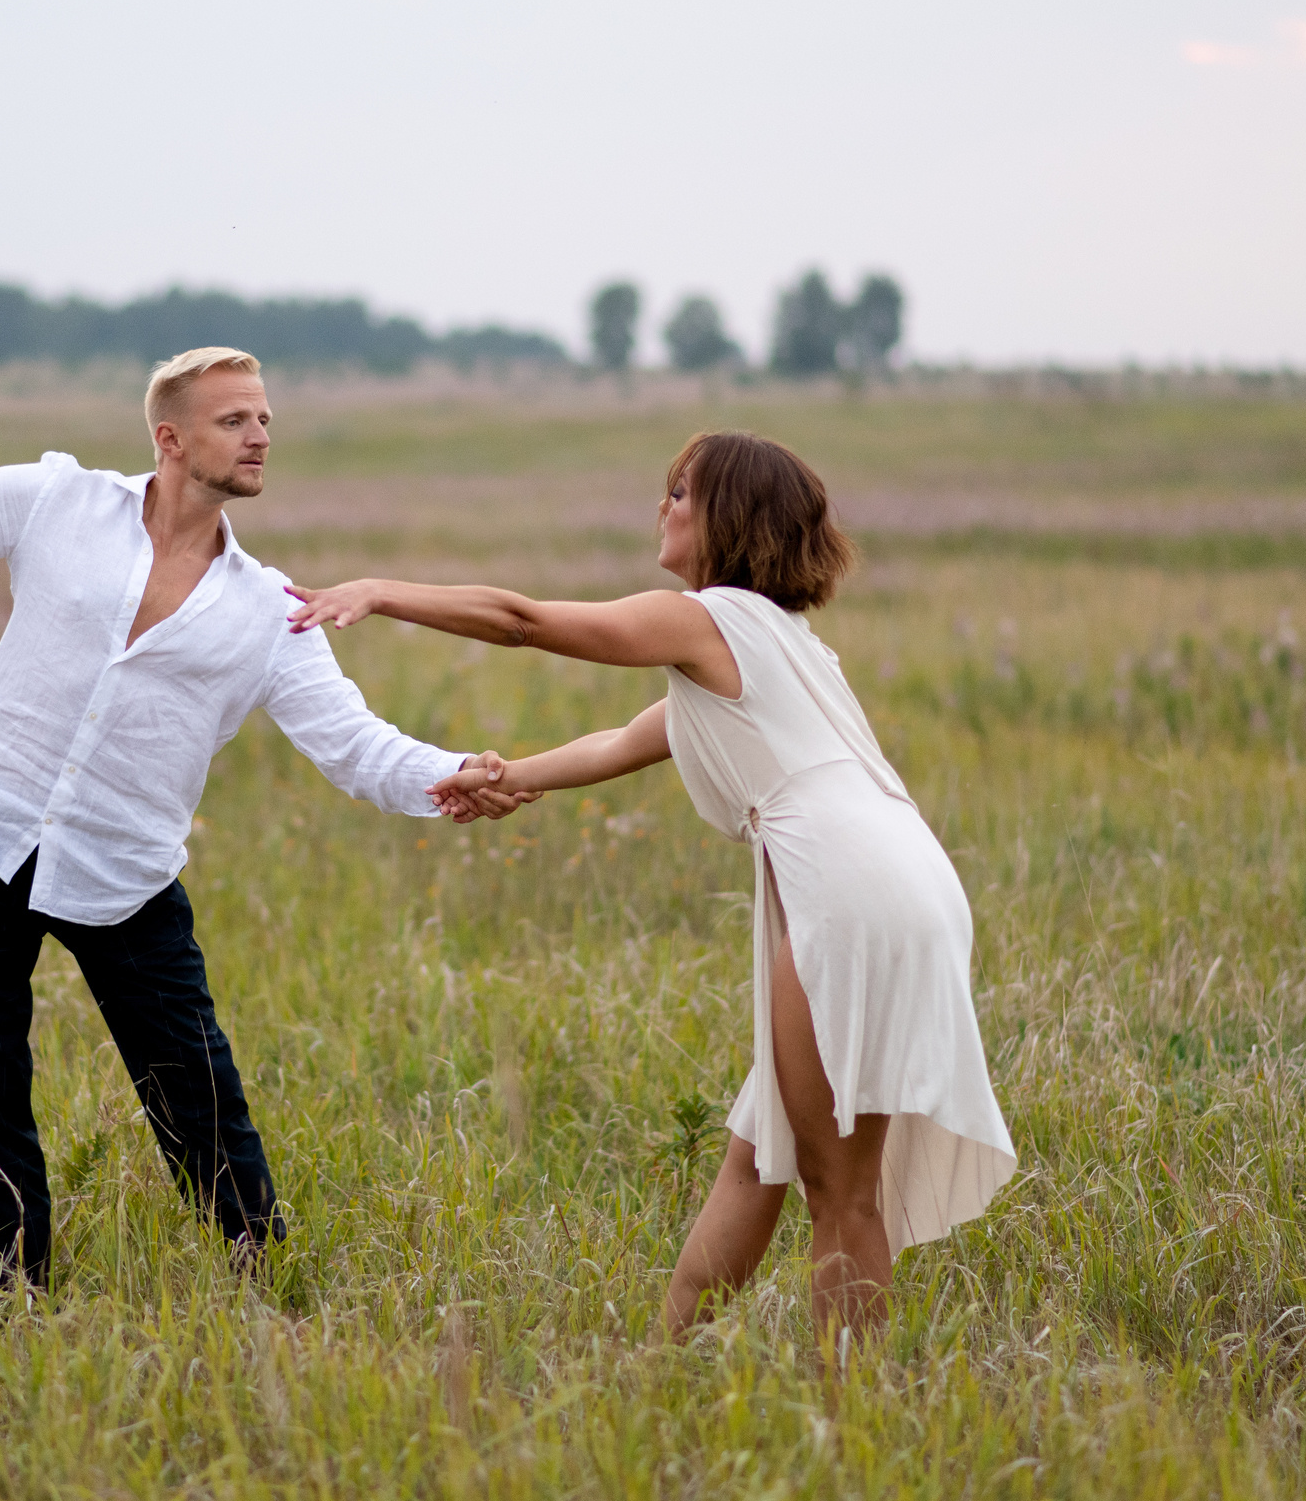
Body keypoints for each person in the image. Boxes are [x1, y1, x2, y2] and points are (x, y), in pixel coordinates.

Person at [0, 346, 524, 1292]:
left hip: (126, 877)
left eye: (265, 419)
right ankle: (18, 1294)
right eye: (234, 420)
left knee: (200, 1099)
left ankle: (269, 1284)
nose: (260, 434)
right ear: (170, 439)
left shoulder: (269, 610)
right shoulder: (60, 501)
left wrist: (452, 774)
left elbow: (356, 744)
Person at [286, 430, 1015, 1343]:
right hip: (895, 877)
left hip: (854, 893)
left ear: (729, 518)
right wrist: (506, 777)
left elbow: (523, 621)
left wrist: (381, 592)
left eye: (680, 492)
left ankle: (855, 1423)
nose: (662, 506)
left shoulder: (710, 618)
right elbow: (625, 741)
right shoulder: (775, 641)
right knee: (758, 1157)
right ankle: (660, 1366)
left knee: (841, 1191)